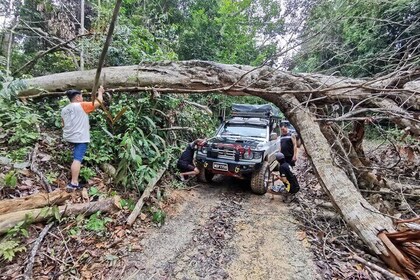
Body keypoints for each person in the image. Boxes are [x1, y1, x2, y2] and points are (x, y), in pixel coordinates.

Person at [61, 86, 104, 191]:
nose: (83, 99)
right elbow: (98, 103)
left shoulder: (64, 109)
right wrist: (100, 92)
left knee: (76, 156)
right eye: (81, 97)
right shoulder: (81, 105)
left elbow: (63, 124)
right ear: (77, 98)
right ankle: (74, 182)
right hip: (80, 137)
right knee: (77, 159)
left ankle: (74, 179)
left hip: (69, 136)